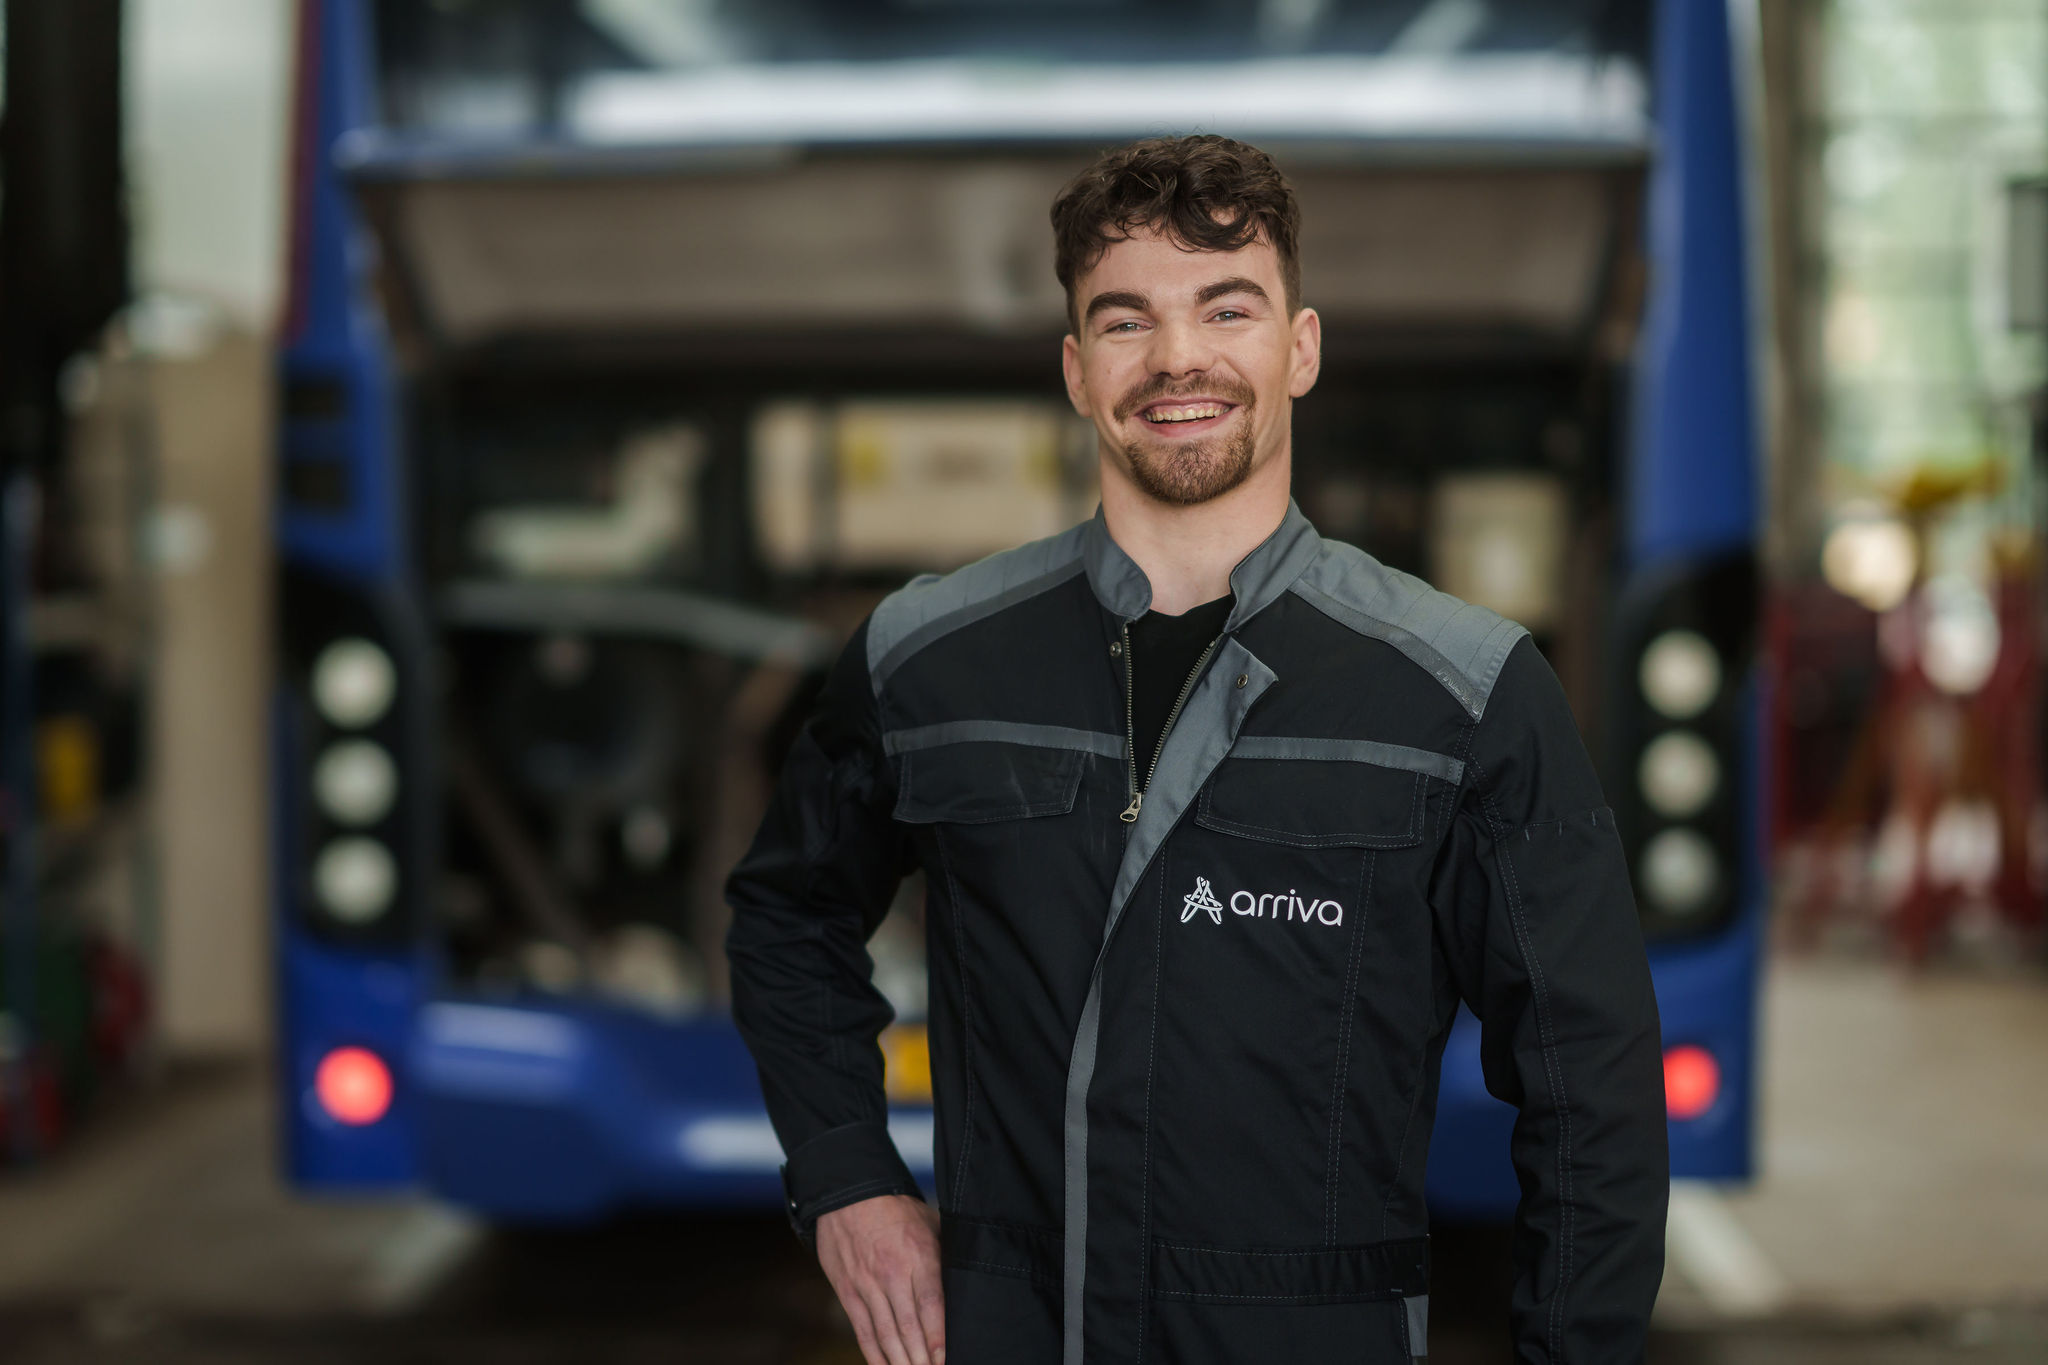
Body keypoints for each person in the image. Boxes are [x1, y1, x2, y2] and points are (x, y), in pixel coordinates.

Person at [725, 134, 1668, 1365]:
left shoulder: (1461, 693)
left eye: (1226, 309)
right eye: (1126, 321)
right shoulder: (926, 661)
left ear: (1299, 348)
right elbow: (786, 916)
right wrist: (846, 1177)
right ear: (1076, 370)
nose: (1176, 358)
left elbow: (1589, 1087)